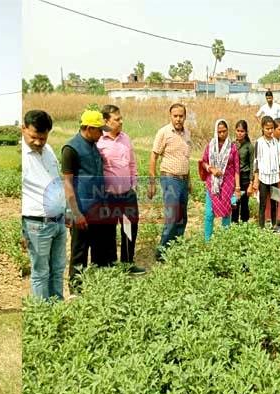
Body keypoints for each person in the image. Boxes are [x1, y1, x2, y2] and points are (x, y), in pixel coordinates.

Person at [62, 109, 113, 294]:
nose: (102, 134)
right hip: (82, 210)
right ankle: (76, 291)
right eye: (99, 130)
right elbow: (67, 183)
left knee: (100, 252)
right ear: (89, 128)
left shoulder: (93, 145)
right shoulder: (71, 149)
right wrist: (75, 213)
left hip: (98, 208)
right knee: (79, 254)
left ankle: (96, 289)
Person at [21, 110, 66, 301]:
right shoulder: (21, 157)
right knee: (40, 272)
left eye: (43, 137)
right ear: (23, 129)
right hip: (36, 223)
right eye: (34, 137)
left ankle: (56, 308)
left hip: (58, 221)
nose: (39, 142)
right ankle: (42, 315)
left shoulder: (48, 151)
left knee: (57, 269)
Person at [96, 105, 145, 274]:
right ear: (106, 121)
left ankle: (127, 263)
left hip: (127, 194)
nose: (121, 121)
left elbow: (132, 163)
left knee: (130, 228)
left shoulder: (126, 138)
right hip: (108, 195)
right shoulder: (99, 141)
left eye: (121, 118)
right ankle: (110, 265)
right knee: (108, 231)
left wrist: (133, 185)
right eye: (117, 119)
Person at [148, 103, 192, 262]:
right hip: (170, 178)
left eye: (181, 116)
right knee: (172, 217)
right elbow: (154, 156)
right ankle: (162, 252)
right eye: (175, 116)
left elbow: (185, 159)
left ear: (185, 117)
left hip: (183, 179)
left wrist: (190, 180)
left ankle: (176, 247)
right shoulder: (164, 132)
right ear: (170, 116)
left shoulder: (187, 133)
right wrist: (152, 182)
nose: (178, 119)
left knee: (182, 217)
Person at [200, 119, 239, 241]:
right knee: (209, 213)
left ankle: (225, 240)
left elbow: (237, 169)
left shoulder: (232, 148)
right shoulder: (210, 146)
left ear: (228, 131)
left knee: (227, 213)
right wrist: (211, 169)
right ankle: (207, 240)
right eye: (219, 132)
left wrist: (237, 188)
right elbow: (203, 162)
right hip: (213, 184)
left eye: (224, 131)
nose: (222, 134)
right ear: (215, 132)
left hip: (228, 184)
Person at [250, 116, 280, 230]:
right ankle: (261, 226)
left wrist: (279, 173)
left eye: (272, 128)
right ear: (262, 128)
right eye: (267, 128)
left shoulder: (275, 141)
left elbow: (278, 159)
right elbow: (256, 161)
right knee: (263, 203)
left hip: (275, 178)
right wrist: (256, 178)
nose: (270, 131)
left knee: (275, 202)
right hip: (263, 177)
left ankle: (274, 225)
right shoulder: (259, 142)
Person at [231, 120, 254, 223]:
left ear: (246, 132)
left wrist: (251, 183)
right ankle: (234, 224)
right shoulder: (232, 145)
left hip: (245, 178)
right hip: (234, 178)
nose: (240, 133)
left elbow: (252, 165)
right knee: (234, 202)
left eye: (242, 131)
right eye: (238, 130)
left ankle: (245, 225)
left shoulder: (249, 147)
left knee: (244, 203)